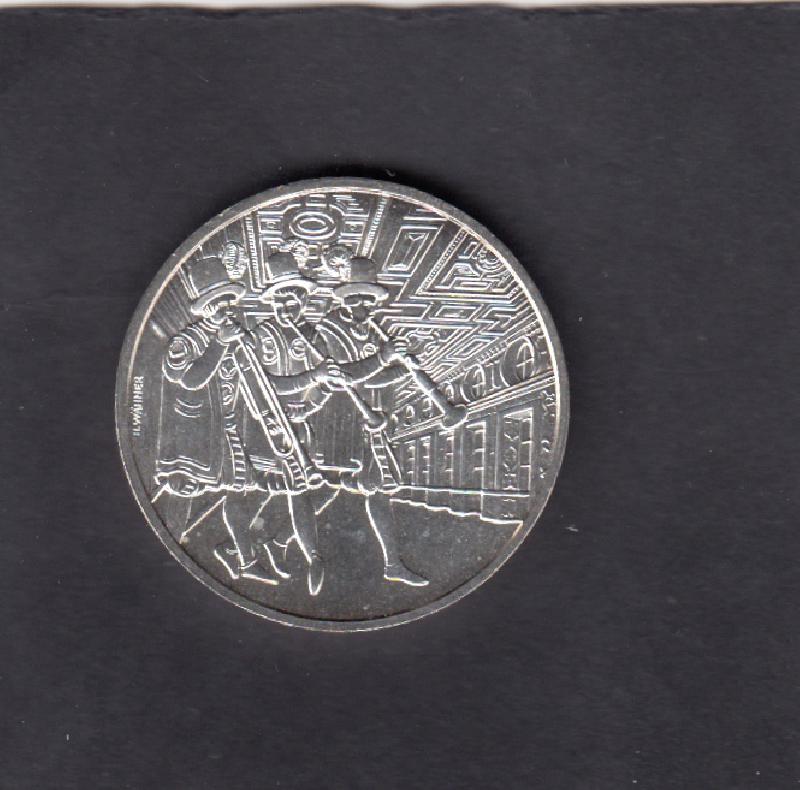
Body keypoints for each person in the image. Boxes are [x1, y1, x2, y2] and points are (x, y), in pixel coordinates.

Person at [154, 255, 340, 586]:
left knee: (239, 491)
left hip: (229, 431)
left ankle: (245, 557)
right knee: (180, 501)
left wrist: (301, 401)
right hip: (193, 441)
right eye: (217, 303)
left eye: (229, 301)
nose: (226, 309)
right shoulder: (187, 342)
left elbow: (260, 386)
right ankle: (163, 564)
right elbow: (192, 380)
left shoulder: (240, 339)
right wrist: (219, 343)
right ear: (204, 308)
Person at [310, 256, 429, 587]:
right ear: (344, 299)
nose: (363, 305)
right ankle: (275, 537)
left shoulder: (371, 331)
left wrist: (403, 367)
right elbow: (344, 377)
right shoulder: (328, 330)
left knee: (374, 489)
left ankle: (392, 563)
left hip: (369, 422)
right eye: (356, 298)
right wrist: (384, 358)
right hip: (342, 422)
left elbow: (375, 378)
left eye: (368, 299)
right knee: (330, 485)